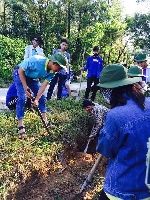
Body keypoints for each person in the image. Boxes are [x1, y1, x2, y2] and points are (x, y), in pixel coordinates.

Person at [96, 64, 150, 200]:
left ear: (110, 90)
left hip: (123, 189)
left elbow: (106, 150)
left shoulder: (116, 116)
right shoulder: (148, 103)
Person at [13, 53, 67, 139]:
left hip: (32, 78)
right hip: (20, 74)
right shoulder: (36, 60)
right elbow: (20, 70)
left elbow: (44, 85)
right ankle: (20, 125)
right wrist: (25, 87)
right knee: (22, 98)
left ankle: (45, 121)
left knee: (42, 98)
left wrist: (37, 99)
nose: (59, 70)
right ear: (54, 63)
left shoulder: (52, 71)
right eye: (59, 68)